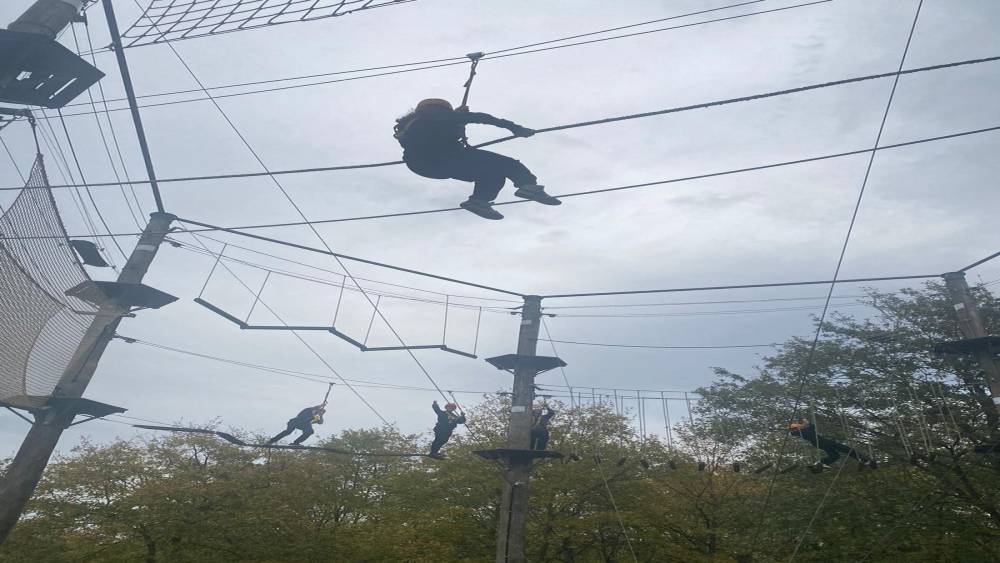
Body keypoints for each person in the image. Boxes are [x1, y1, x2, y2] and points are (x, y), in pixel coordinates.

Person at [394, 98, 561, 220]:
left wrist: (457, 119)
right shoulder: (437, 115)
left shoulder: (414, 125)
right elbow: (482, 118)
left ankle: (479, 201)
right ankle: (528, 185)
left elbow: (436, 132)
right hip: (446, 157)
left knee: (491, 174)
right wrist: (515, 128)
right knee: (508, 164)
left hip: (424, 166)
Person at [788, 419, 867, 467]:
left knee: (835, 456)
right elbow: (807, 427)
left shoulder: (804, 430)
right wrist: (803, 424)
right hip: (824, 443)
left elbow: (811, 426)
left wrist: (804, 424)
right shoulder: (802, 431)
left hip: (822, 444)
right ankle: (862, 459)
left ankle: (821, 463)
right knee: (847, 449)